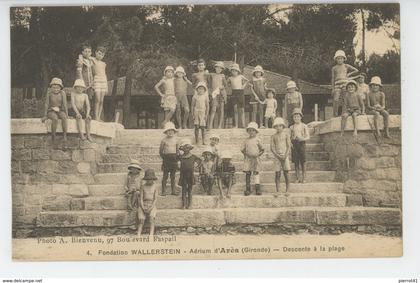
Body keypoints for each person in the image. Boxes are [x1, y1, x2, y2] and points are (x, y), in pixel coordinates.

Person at [41, 77, 68, 146]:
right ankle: (53, 136)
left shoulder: (62, 93)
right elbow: (46, 104)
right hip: (51, 110)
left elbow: (65, 104)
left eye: (57, 87)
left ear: (60, 88)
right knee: (55, 119)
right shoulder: (49, 93)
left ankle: (65, 135)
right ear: (51, 87)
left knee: (64, 117)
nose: (56, 89)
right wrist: (45, 115)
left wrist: (66, 114)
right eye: (54, 87)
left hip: (60, 110)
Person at [331, 50, 359, 117]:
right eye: (338, 58)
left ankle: (344, 112)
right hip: (337, 85)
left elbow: (356, 70)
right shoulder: (334, 68)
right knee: (336, 99)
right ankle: (335, 114)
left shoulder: (346, 66)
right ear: (336, 59)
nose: (340, 60)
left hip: (345, 84)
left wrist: (349, 74)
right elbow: (332, 78)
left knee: (345, 99)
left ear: (344, 59)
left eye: (341, 58)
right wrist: (333, 88)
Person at [241, 122, 264, 196]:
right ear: (248, 132)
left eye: (253, 130)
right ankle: (248, 189)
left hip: (255, 159)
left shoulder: (258, 140)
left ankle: (257, 188)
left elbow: (262, 149)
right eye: (250, 130)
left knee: (256, 173)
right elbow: (242, 149)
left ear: (256, 132)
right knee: (248, 173)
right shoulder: (246, 140)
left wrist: (258, 155)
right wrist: (246, 154)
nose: (251, 132)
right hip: (248, 159)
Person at [178, 139, 201, 209]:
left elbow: (200, 161)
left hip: (190, 175)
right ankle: (184, 204)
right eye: (185, 147)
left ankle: (190, 204)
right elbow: (175, 162)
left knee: (190, 190)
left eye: (188, 147)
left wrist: (197, 167)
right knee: (184, 190)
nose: (186, 149)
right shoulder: (181, 156)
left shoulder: (193, 156)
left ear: (190, 148)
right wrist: (178, 167)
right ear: (183, 149)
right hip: (183, 175)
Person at [270, 117, 291, 194]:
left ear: (283, 126)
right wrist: (277, 155)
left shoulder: (286, 135)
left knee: (286, 173)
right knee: (277, 173)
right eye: (277, 126)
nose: (278, 128)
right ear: (275, 127)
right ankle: (278, 190)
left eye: (280, 126)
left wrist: (285, 155)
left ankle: (287, 190)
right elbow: (272, 148)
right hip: (277, 156)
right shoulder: (273, 136)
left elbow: (288, 146)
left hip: (285, 155)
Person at [290, 108, 310, 183]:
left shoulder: (304, 126)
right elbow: (289, 138)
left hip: (302, 144)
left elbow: (308, 136)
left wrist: (302, 138)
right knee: (296, 162)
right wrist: (291, 141)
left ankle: (304, 178)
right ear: (293, 118)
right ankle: (297, 178)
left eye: (298, 116)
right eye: (294, 117)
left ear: (301, 117)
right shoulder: (291, 127)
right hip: (295, 145)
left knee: (303, 161)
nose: (296, 118)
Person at [159, 122, 179, 196]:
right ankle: (163, 191)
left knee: (173, 176)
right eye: (168, 130)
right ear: (166, 132)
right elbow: (161, 151)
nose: (170, 132)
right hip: (166, 159)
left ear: (174, 131)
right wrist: (164, 158)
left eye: (172, 130)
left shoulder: (176, 140)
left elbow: (177, 151)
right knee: (165, 176)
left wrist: (176, 158)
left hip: (174, 159)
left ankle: (173, 190)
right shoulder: (164, 140)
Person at [137, 168, 158, 236]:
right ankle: (138, 234)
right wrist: (142, 207)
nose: (149, 181)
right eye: (148, 179)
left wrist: (151, 207)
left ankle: (151, 234)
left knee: (151, 218)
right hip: (143, 204)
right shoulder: (143, 187)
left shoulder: (155, 187)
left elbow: (155, 199)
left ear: (153, 179)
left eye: (151, 179)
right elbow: (141, 198)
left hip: (152, 205)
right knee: (141, 219)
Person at [228, 63, 249, 128]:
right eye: (233, 71)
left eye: (235, 71)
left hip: (240, 92)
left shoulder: (241, 76)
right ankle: (236, 125)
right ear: (231, 71)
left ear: (238, 71)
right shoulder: (230, 78)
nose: (234, 72)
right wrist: (229, 85)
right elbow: (226, 84)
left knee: (242, 109)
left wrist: (243, 86)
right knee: (235, 109)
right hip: (234, 92)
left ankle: (243, 125)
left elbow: (247, 80)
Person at [76, 44, 94, 116]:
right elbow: (79, 71)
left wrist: (92, 82)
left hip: (90, 83)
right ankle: (81, 114)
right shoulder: (80, 60)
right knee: (81, 98)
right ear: (82, 52)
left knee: (88, 98)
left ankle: (88, 114)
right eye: (85, 51)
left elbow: (91, 72)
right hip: (83, 81)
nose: (87, 53)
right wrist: (81, 82)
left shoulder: (90, 61)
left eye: (89, 52)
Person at [90, 46, 108, 121]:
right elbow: (84, 56)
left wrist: (106, 86)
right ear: (96, 52)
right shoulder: (92, 60)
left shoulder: (104, 64)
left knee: (101, 100)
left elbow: (105, 74)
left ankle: (99, 116)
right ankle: (96, 116)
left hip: (103, 80)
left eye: (102, 55)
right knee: (97, 99)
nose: (100, 56)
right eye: (99, 53)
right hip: (96, 79)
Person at [208, 61, 228, 129]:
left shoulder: (223, 76)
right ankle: (210, 125)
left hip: (221, 93)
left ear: (222, 69)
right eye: (217, 68)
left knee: (221, 110)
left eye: (220, 68)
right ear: (215, 68)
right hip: (214, 93)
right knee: (213, 109)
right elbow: (209, 84)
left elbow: (225, 85)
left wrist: (222, 87)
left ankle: (219, 126)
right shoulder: (212, 75)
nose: (218, 69)